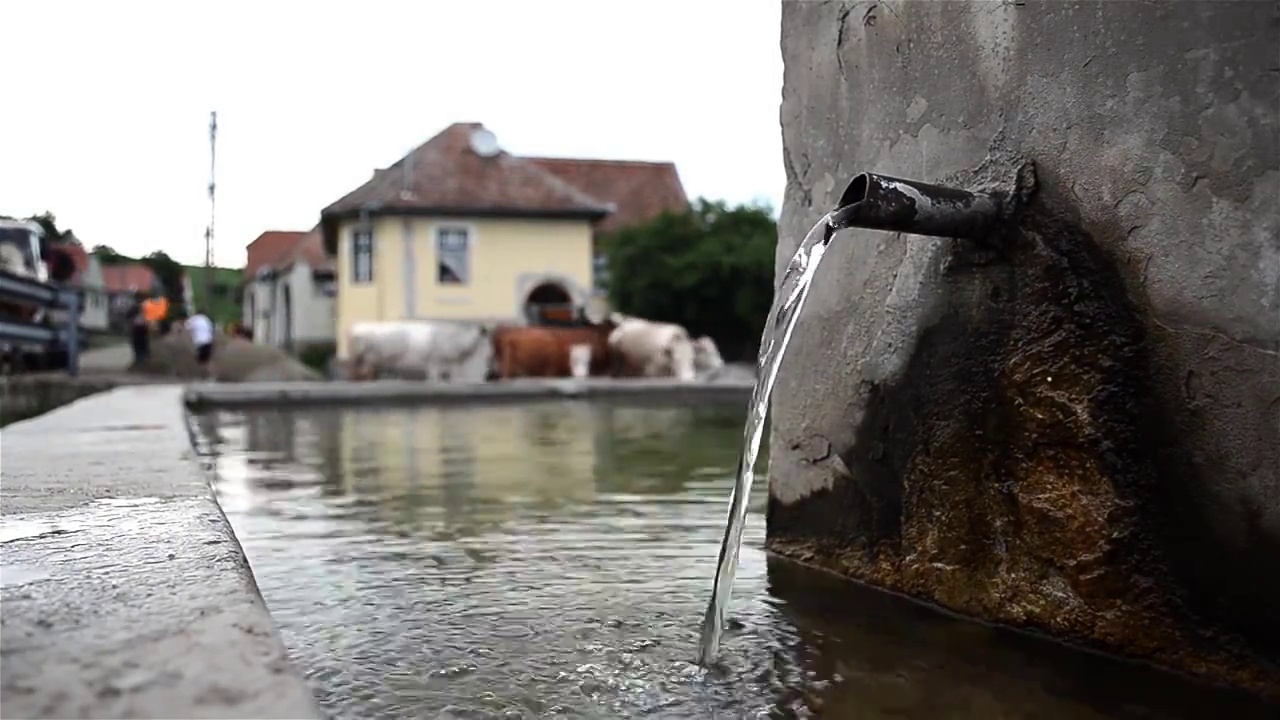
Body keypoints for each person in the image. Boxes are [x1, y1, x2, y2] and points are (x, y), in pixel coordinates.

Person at [183, 308, 216, 379]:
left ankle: (198, 375)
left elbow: (186, 328)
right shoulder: (207, 320)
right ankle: (211, 375)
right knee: (206, 360)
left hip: (199, 342)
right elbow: (211, 330)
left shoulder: (194, 319)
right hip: (208, 341)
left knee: (197, 359)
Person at [124, 291, 150, 366]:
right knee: (137, 343)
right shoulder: (135, 307)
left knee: (142, 343)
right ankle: (139, 359)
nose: (141, 300)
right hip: (137, 327)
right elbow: (128, 315)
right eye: (139, 298)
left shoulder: (147, 306)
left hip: (143, 327)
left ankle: (142, 358)